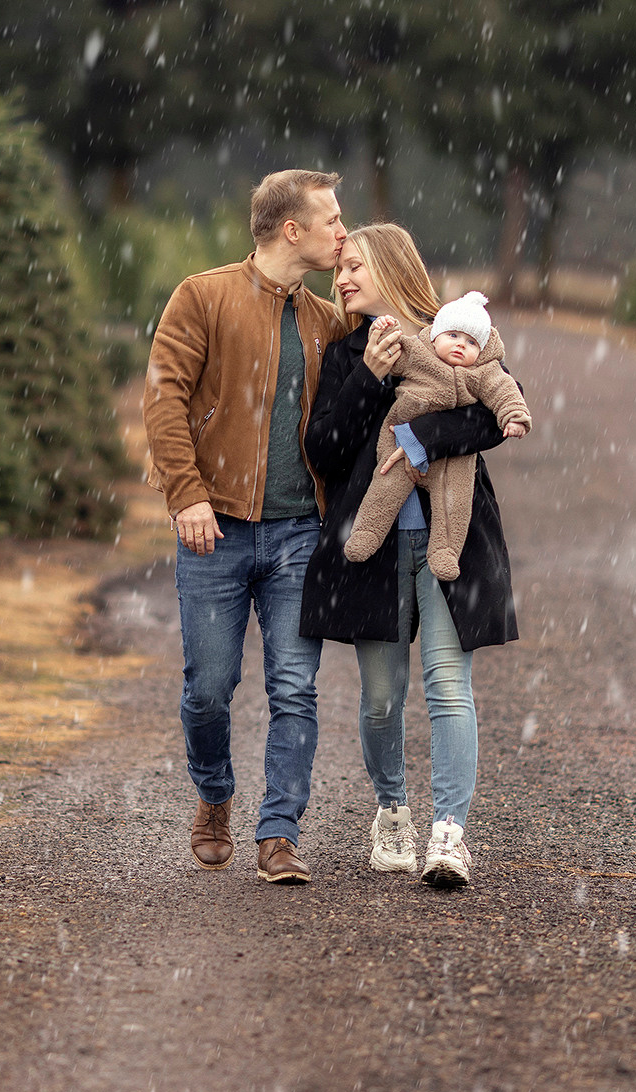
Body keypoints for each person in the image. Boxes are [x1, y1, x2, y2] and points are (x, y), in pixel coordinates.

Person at [142, 169, 349, 885]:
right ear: (292, 229)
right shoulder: (202, 296)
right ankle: (215, 794)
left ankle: (279, 833)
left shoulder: (328, 321)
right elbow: (164, 397)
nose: (342, 232)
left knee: (294, 687)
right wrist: (187, 495)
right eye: (332, 219)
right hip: (215, 530)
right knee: (208, 687)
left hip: (299, 535)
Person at [299, 224, 520, 888]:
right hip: (373, 546)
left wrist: (420, 439)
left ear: (392, 269)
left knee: (449, 688)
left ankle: (449, 832)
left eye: (354, 267)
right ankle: (392, 809)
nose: (341, 279)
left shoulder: (453, 333)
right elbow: (324, 450)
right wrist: (369, 375)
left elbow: (495, 411)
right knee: (381, 699)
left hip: (454, 540)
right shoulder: (346, 354)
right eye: (338, 269)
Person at [341, 290, 530, 582]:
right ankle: (367, 533)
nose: (460, 345)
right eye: (453, 335)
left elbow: (505, 391)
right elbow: (394, 352)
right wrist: (386, 331)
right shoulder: (420, 353)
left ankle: (445, 552)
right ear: (436, 335)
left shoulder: (484, 371)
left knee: (455, 503)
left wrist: (514, 416)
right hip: (400, 439)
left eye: (471, 342)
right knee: (385, 486)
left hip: (453, 455)